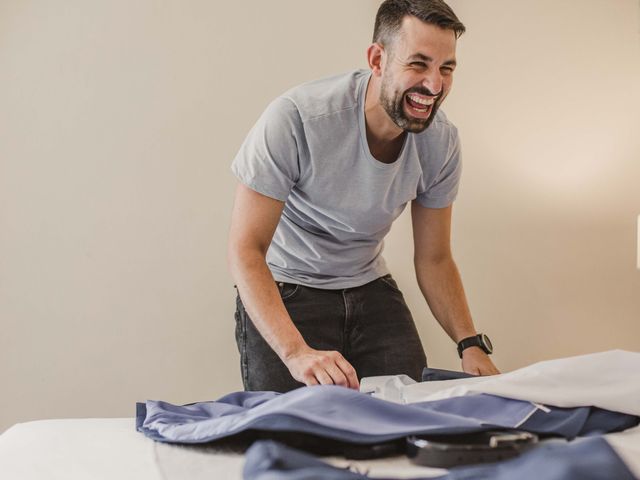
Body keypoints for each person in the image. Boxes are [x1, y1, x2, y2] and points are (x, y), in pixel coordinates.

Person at [227, 0, 499, 393]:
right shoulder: (297, 119)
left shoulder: (441, 141)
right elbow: (245, 250)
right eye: (418, 64)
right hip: (288, 287)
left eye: (446, 68)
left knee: (407, 416)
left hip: (369, 286)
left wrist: (470, 344)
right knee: (292, 432)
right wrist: (296, 352)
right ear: (377, 59)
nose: (434, 85)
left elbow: (435, 258)